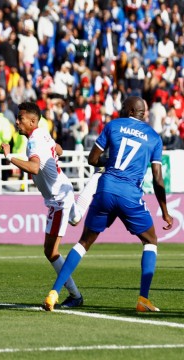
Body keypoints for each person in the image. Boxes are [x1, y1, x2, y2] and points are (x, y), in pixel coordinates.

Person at [43, 96, 173, 312]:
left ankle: (54, 293)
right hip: (130, 195)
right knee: (151, 240)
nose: (120, 109)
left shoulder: (113, 125)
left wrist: (110, 164)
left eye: (123, 107)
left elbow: (92, 159)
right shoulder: (153, 137)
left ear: (130, 110)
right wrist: (165, 211)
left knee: (83, 242)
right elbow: (158, 178)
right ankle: (143, 299)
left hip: (105, 188)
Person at [1, 102, 84, 308]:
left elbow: (35, 168)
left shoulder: (33, 142)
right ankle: (78, 209)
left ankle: (75, 295)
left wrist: (9, 156)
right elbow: (60, 150)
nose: (17, 122)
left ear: (32, 121)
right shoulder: (43, 133)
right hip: (61, 191)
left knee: (51, 251)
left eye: (20, 118)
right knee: (58, 239)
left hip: (59, 199)